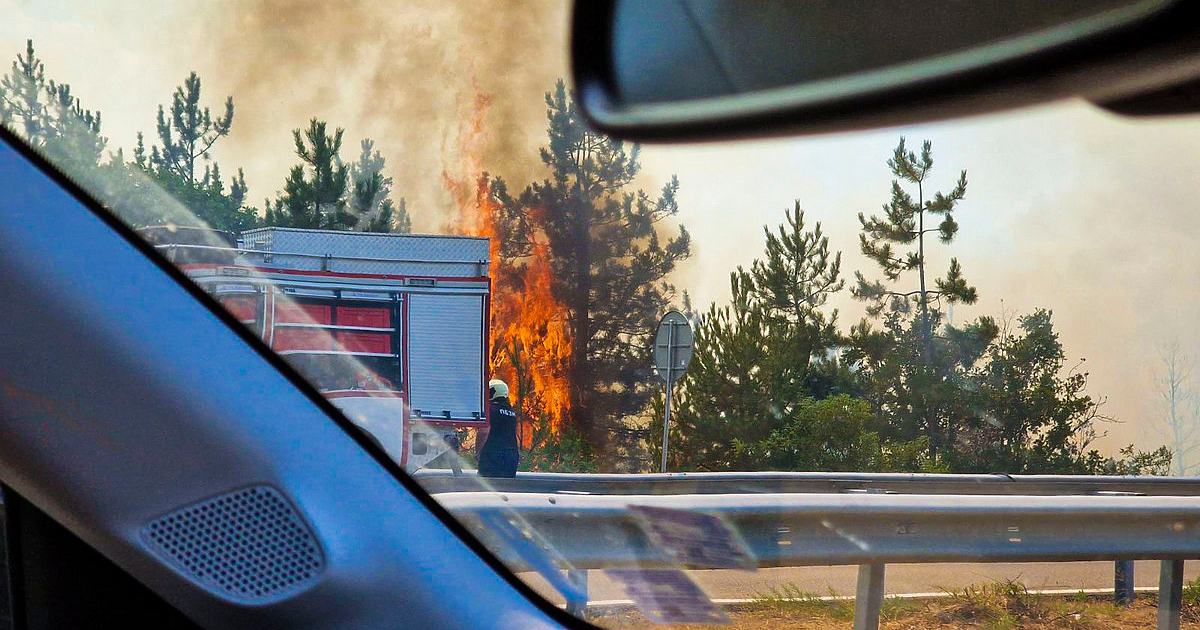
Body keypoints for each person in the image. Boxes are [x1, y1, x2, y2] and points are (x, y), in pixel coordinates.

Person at [477, 379, 519, 478]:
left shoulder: (490, 410)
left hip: (493, 456)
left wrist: (478, 452)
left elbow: (484, 432)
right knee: (507, 488)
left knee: (486, 488)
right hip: (512, 457)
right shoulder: (511, 412)